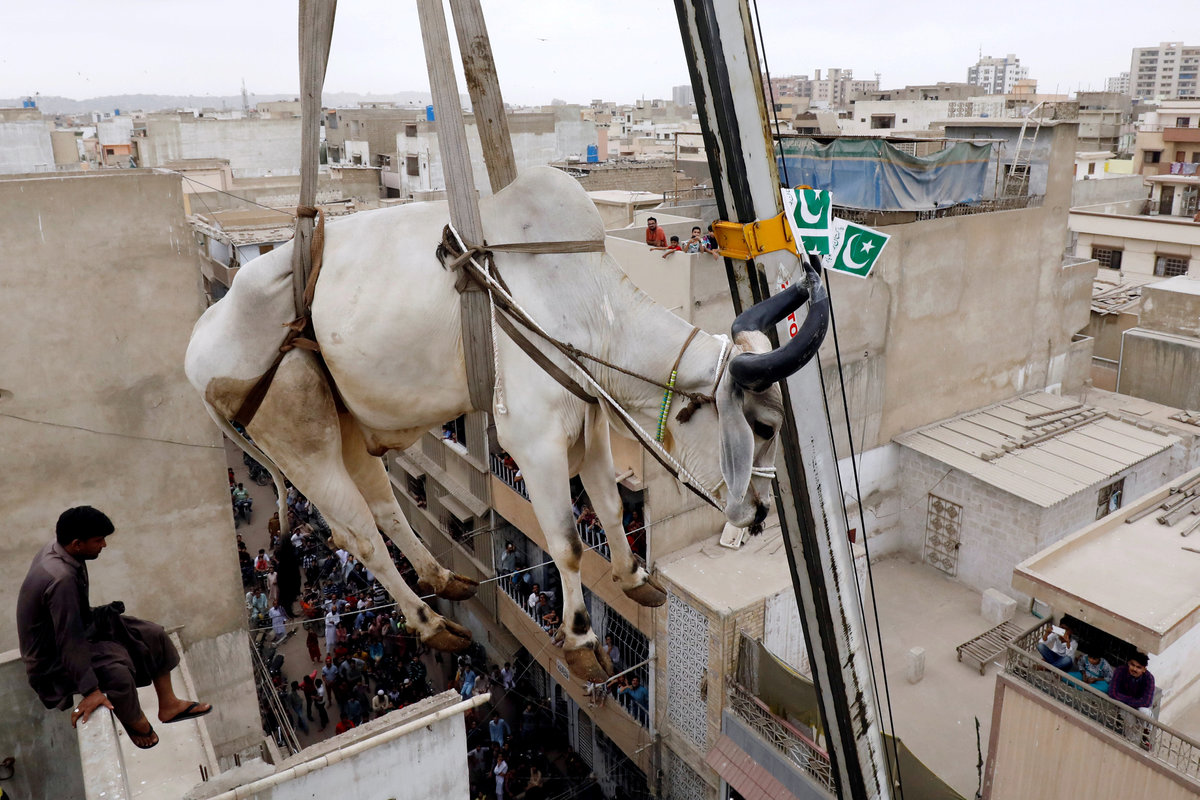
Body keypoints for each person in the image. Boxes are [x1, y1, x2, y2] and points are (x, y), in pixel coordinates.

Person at [16, 506, 212, 750]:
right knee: (117, 668)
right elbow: (69, 640)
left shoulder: (60, 548)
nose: (104, 545)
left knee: (152, 634)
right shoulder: (61, 579)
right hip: (52, 661)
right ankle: (135, 720)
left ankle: (169, 704)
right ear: (77, 544)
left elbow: (75, 624)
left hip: (81, 627)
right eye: (99, 540)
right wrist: (91, 690)